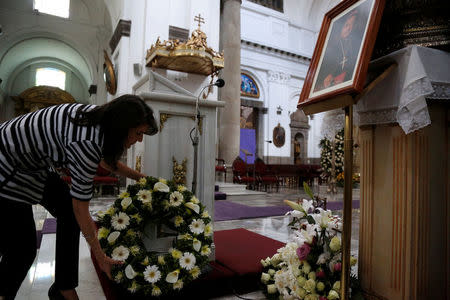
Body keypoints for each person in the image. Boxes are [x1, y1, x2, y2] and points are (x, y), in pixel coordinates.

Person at [0, 94, 158, 300]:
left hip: (31, 165)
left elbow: (106, 162)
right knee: (22, 248)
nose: (139, 139)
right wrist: (101, 257)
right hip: (6, 165)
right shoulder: (86, 142)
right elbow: (80, 208)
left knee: (66, 213)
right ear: (122, 126)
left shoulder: (98, 122)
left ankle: (63, 287)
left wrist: (143, 178)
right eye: (138, 133)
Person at [313, 1, 372, 93]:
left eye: (352, 26)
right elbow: (323, 74)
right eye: (346, 25)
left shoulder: (352, 45)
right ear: (339, 28)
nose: (349, 29)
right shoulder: (331, 47)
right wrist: (330, 76)